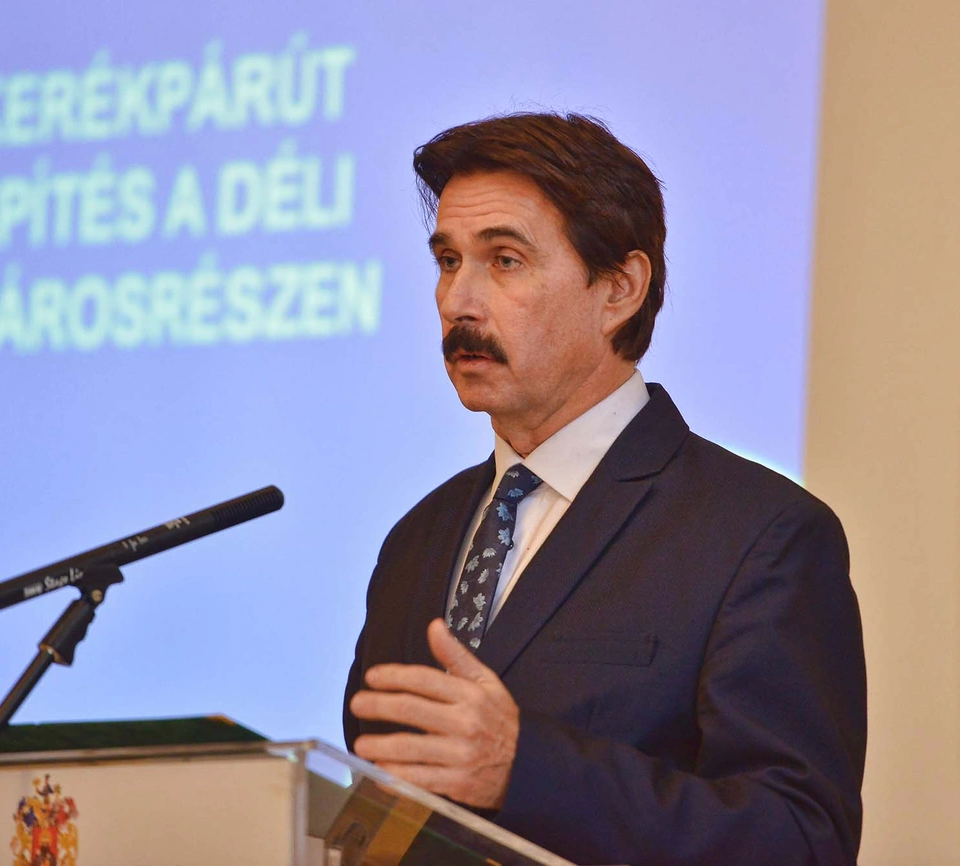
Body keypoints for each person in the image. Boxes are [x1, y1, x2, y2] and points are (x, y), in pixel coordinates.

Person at [343, 112, 866, 866]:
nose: (458, 299)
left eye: (505, 260)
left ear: (619, 289)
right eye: (448, 260)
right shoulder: (418, 537)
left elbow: (800, 840)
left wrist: (527, 769)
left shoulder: (760, 535)